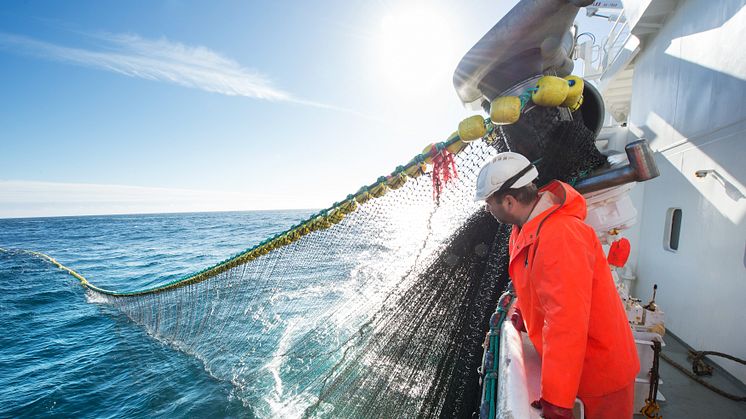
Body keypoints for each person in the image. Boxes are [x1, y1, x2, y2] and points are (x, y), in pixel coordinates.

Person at [474, 152, 640, 419]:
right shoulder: (525, 229)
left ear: (508, 201)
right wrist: (524, 316)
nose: (487, 209)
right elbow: (539, 288)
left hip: (600, 375)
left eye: (488, 202)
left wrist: (557, 399)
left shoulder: (561, 235)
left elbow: (566, 320)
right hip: (577, 368)